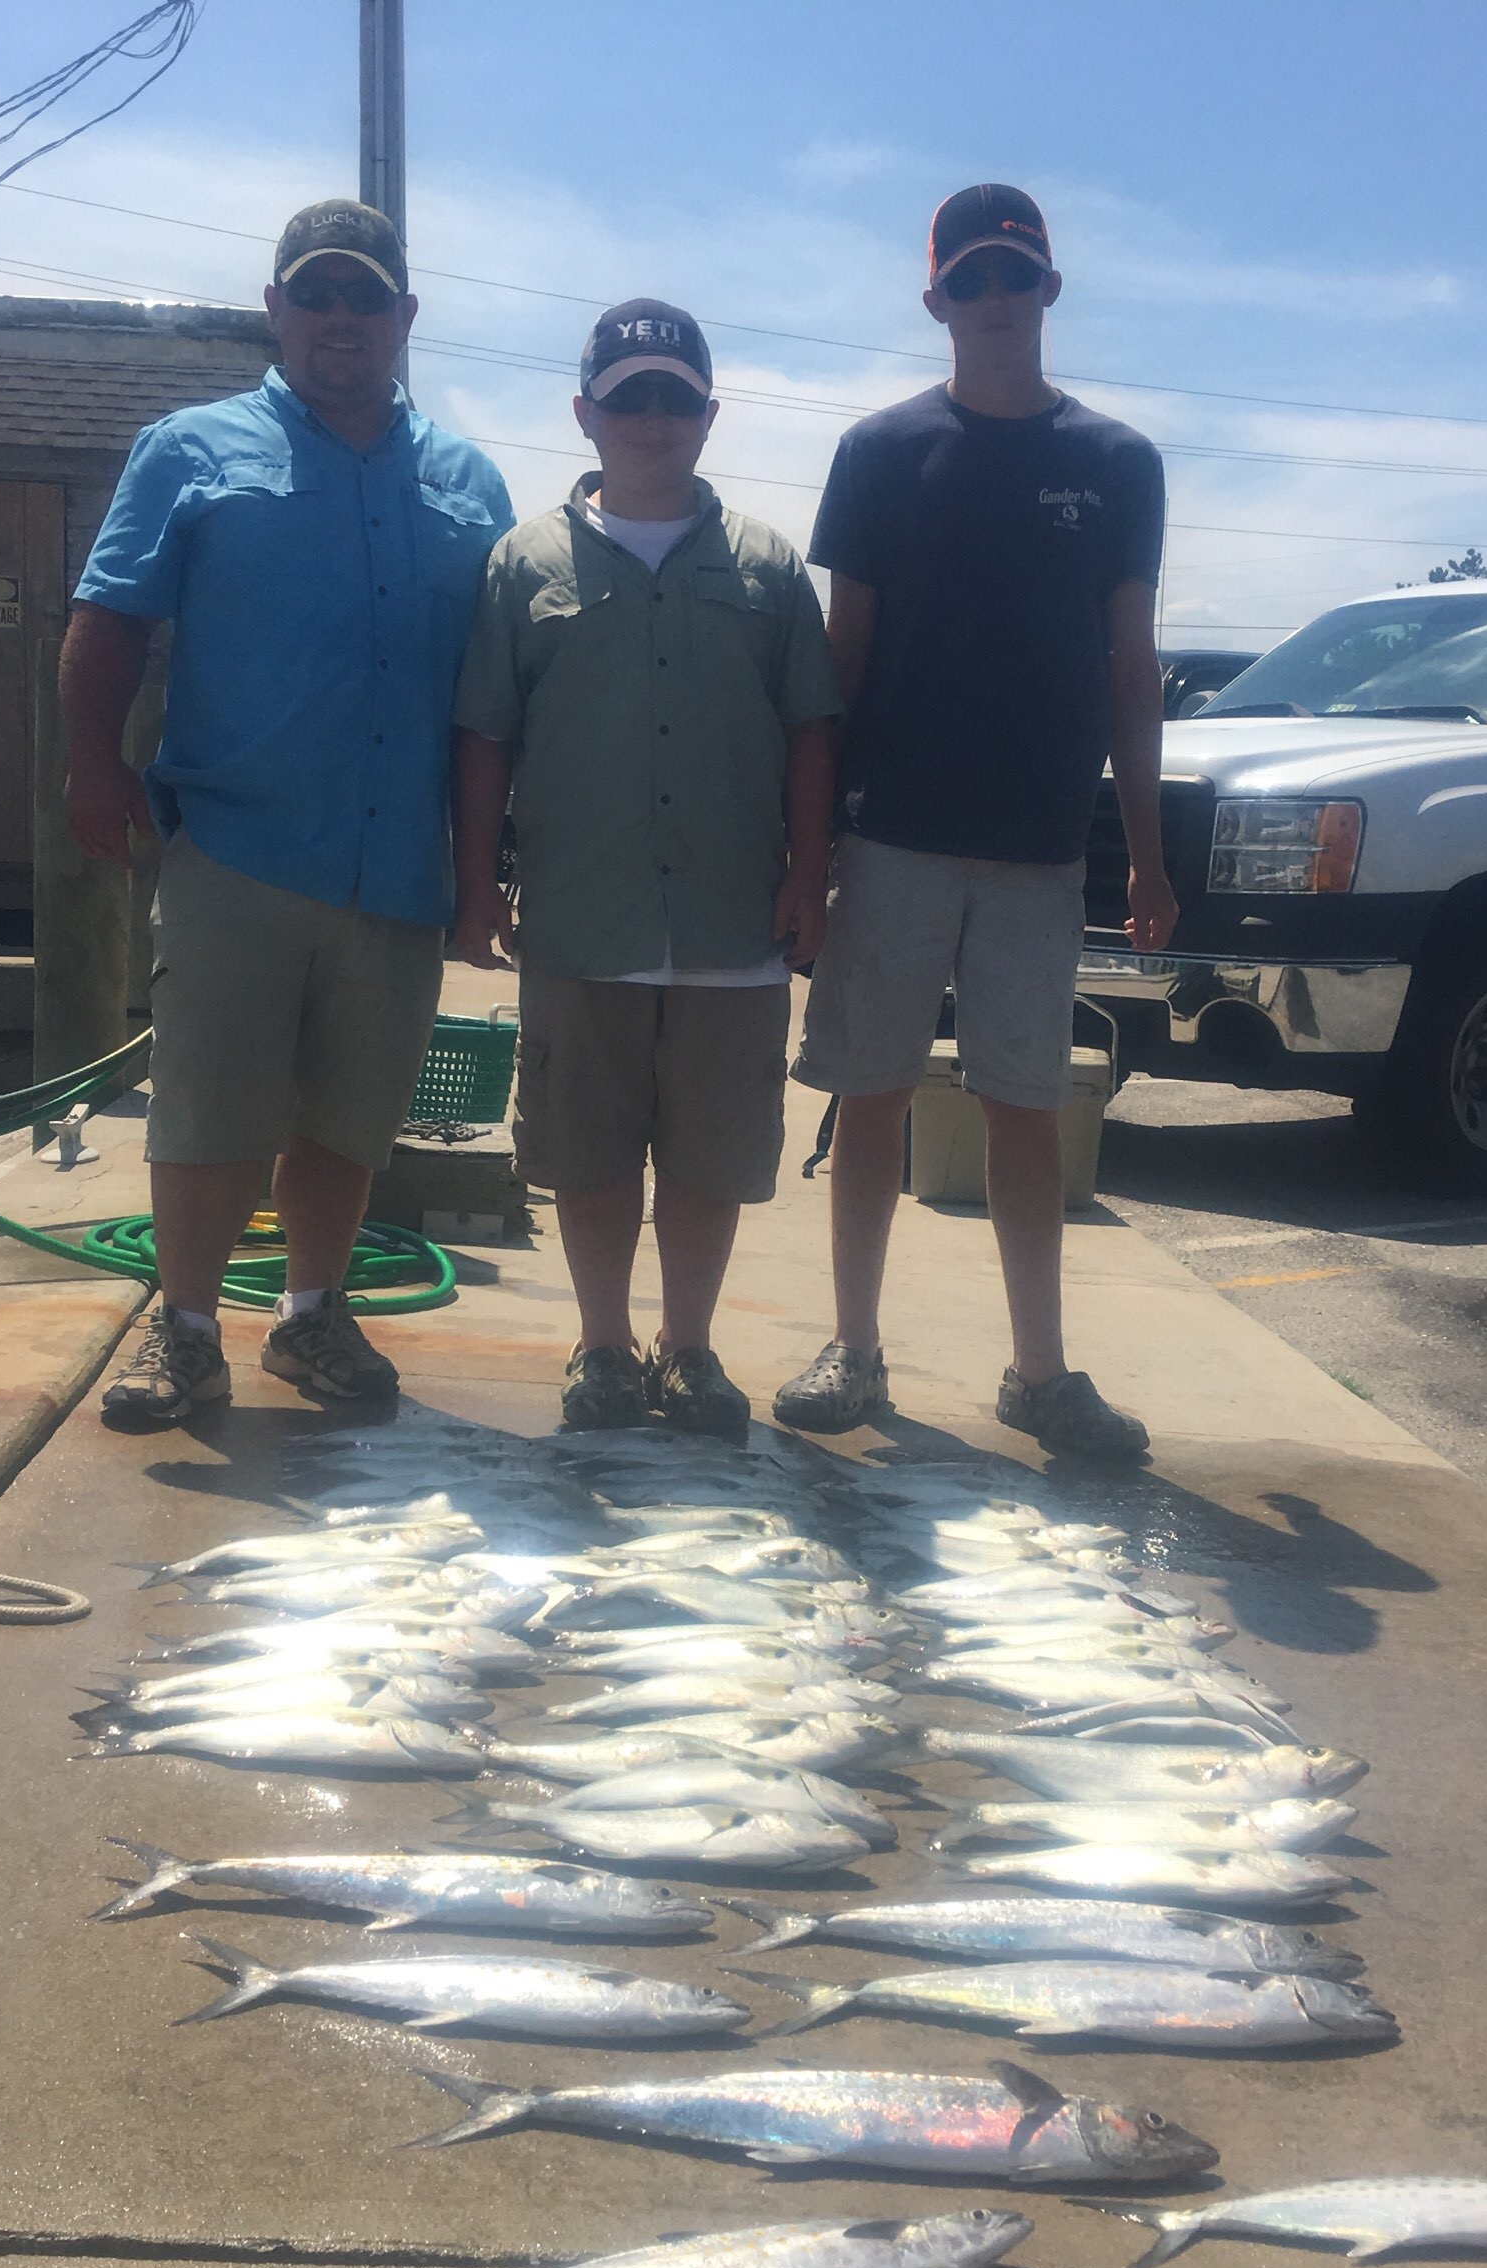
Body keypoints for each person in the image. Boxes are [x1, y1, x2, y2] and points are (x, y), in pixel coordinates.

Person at [62, 199, 511, 1424]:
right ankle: (189, 1330)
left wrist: (488, 866)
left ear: (406, 318)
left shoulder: (472, 481)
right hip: (241, 845)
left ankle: (313, 1323)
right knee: (211, 1106)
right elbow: (109, 620)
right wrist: (91, 765)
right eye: (314, 293)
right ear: (274, 310)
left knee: (349, 1115)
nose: (340, 319)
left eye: (365, 297)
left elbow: (498, 694)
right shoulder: (187, 449)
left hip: (398, 864)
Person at [775, 183, 1179, 1462]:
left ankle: (1039, 1371)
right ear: (937, 299)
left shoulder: (1118, 464)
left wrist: (1150, 862)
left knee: (1021, 1107)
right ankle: (854, 1346)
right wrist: (807, 852)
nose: (995, 301)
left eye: (1017, 277)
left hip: (1039, 850)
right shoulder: (882, 454)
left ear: (1050, 291)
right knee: (872, 1093)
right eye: (972, 281)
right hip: (891, 834)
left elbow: (1131, 669)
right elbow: (839, 665)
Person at [450, 300, 840, 1435]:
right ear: (587, 414)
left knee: (711, 1159)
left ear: (710, 416)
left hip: (732, 917)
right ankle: (604, 1348)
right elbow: (485, 736)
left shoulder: (771, 570)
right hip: (582, 912)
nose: (653, 417)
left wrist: (806, 880)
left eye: (676, 396)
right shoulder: (520, 564)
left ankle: (692, 1349)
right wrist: (478, 887)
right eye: (630, 396)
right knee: (590, 1149)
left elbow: (814, 731)